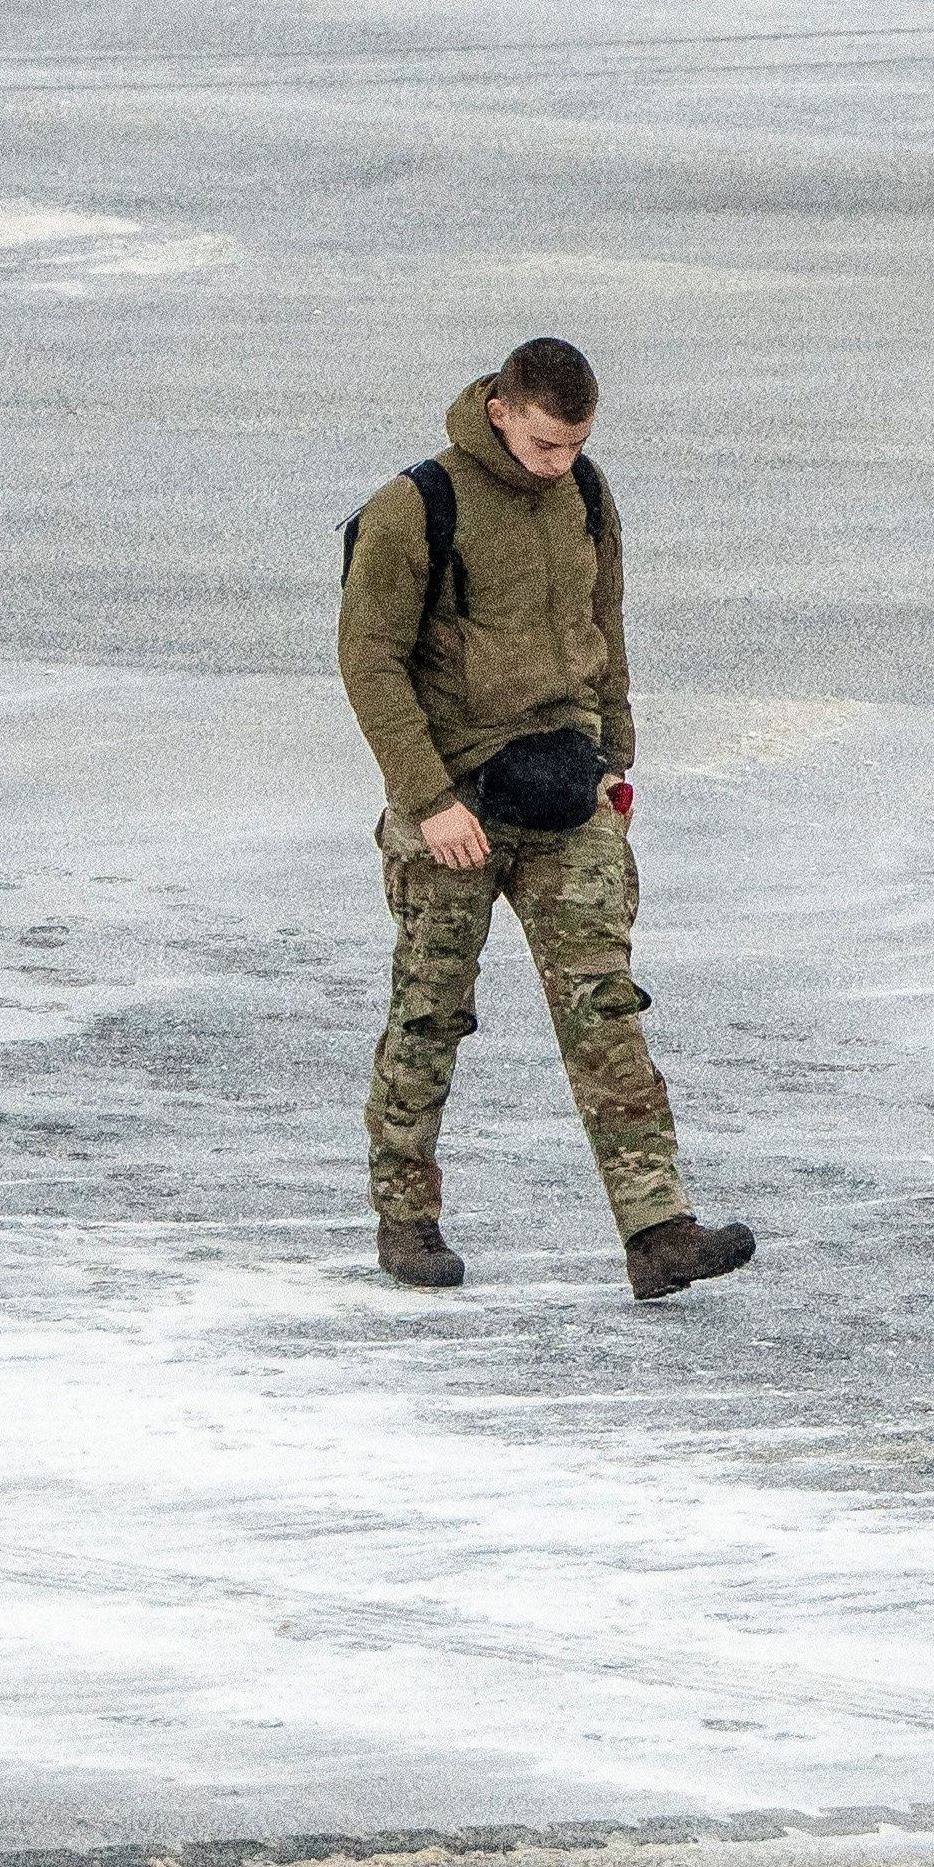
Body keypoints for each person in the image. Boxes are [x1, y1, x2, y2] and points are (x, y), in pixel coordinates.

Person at [337, 338, 745, 1301]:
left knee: (606, 1005)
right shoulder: (416, 508)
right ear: (499, 411)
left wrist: (617, 765)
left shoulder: (588, 495)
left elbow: (605, 631)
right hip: (457, 802)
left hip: (567, 793)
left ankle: (658, 1231)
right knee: (430, 1013)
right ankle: (406, 1216)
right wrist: (428, 798)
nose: (561, 462)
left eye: (576, 445)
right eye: (547, 443)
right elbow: (369, 661)